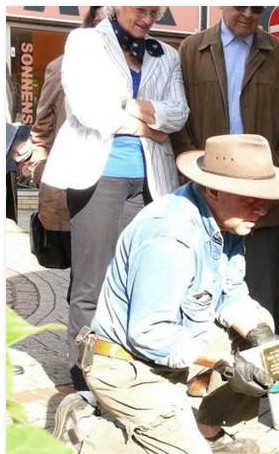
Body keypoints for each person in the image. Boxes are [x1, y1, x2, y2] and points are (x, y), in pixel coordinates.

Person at [51, 134, 279, 454]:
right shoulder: (170, 236)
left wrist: (261, 335)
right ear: (212, 190)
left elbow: (231, 294)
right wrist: (225, 363)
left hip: (166, 353)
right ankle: (86, 436)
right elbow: (149, 334)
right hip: (124, 366)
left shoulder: (227, 222)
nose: (261, 208)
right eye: (250, 198)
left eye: (263, 198)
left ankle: (201, 431)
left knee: (252, 337)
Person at [42, 6, 188, 393]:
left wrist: (128, 107)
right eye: (141, 10)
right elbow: (90, 112)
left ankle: (130, 366)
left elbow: (179, 114)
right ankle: (84, 373)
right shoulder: (86, 42)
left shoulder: (167, 54)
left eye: (154, 13)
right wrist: (148, 126)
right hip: (99, 174)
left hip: (152, 180)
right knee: (93, 281)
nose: (148, 20)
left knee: (143, 277)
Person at [173, 6, 279, 337]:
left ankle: (262, 378)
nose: (248, 14)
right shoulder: (191, 50)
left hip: (262, 201)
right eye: (240, 6)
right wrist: (195, 175)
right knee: (199, 291)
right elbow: (179, 120)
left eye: (257, 8)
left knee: (262, 296)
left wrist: (273, 176)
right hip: (206, 195)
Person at [18, 6, 105, 268]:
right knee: (81, 269)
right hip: (77, 182)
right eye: (100, 21)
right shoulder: (63, 66)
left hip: (121, 182)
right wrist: (38, 161)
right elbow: (43, 127)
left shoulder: (138, 66)